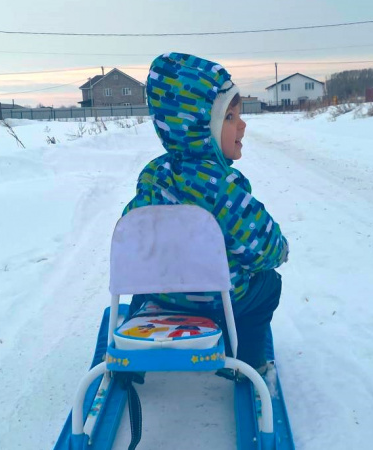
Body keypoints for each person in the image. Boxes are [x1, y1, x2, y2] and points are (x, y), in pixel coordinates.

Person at [122, 52, 289, 372]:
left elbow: (133, 230)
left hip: (163, 293)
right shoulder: (223, 188)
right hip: (218, 301)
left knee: (144, 281)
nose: (242, 124)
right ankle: (246, 361)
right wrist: (281, 250)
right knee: (268, 284)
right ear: (197, 128)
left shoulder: (154, 174)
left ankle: (137, 341)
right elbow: (260, 245)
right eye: (229, 117)